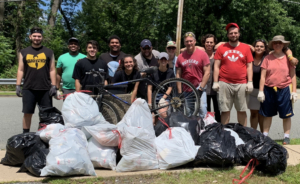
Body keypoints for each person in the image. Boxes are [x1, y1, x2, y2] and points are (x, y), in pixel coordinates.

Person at [16, 27, 57, 133]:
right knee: (27, 113)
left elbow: (52, 70)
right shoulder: (24, 52)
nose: (37, 38)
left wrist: (54, 85)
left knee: (46, 114)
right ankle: (26, 135)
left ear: (42, 37)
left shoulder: (49, 52)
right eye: (34, 36)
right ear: (30, 37)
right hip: (28, 88)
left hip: (45, 88)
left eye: (39, 36)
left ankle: (45, 136)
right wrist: (18, 85)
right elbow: (20, 69)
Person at [258, 35, 297, 145]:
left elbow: (293, 76)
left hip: (284, 89)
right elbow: (263, 76)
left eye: (280, 42)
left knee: (286, 115)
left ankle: (286, 137)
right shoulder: (267, 58)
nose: (278, 44)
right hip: (269, 89)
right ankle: (265, 136)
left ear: (283, 44)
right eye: (275, 43)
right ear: (272, 45)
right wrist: (261, 91)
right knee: (267, 114)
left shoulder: (289, 58)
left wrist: (294, 91)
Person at [213, 23, 254, 126]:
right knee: (225, 110)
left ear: (239, 34)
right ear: (227, 35)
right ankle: (225, 133)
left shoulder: (246, 48)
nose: (233, 35)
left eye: (235, 33)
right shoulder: (221, 48)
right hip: (224, 83)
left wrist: (250, 82)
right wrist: (215, 82)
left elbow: (249, 66)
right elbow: (216, 66)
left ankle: (243, 133)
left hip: (242, 83)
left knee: (242, 110)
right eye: (231, 33)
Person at [176, 32, 210, 118]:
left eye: (191, 41)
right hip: (187, 89)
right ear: (184, 43)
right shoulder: (180, 57)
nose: (189, 43)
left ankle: (204, 129)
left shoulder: (202, 54)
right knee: (189, 112)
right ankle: (191, 130)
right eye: (187, 41)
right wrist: (180, 92)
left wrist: (201, 88)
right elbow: (178, 74)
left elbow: (207, 72)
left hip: (199, 86)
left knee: (202, 110)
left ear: (195, 41)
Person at [247, 39, 268, 131]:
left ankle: (263, 136)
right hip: (252, 90)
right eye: (257, 46)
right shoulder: (249, 57)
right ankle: (254, 135)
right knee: (254, 113)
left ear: (265, 48)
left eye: (261, 46)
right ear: (253, 47)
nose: (259, 48)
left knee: (262, 114)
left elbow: (285, 49)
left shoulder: (268, 58)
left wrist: (291, 57)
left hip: (264, 90)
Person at [147, 52, 175, 123]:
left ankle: (165, 129)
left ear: (167, 61)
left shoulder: (171, 72)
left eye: (165, 59)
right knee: (151, 119)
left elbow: (170, 88)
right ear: (158, 60)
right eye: (161, 59)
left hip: (165, 97)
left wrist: (163, 98)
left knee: (162, 113)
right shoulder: (153, 72)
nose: (163, 61)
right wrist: (150, 102)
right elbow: (149, 89)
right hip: (154, 97)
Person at [201, 34, 221, 122]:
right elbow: (183, 49)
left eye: (211, 42)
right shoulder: (201, 55)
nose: (209, 44)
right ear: (204, 44)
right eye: (207, 42)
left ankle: (219, 127)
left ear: (214, 44)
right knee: (206, 110)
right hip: (205, 86)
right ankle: (208, 126)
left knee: (218, 109)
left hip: (216, 86)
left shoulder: (218, 55)